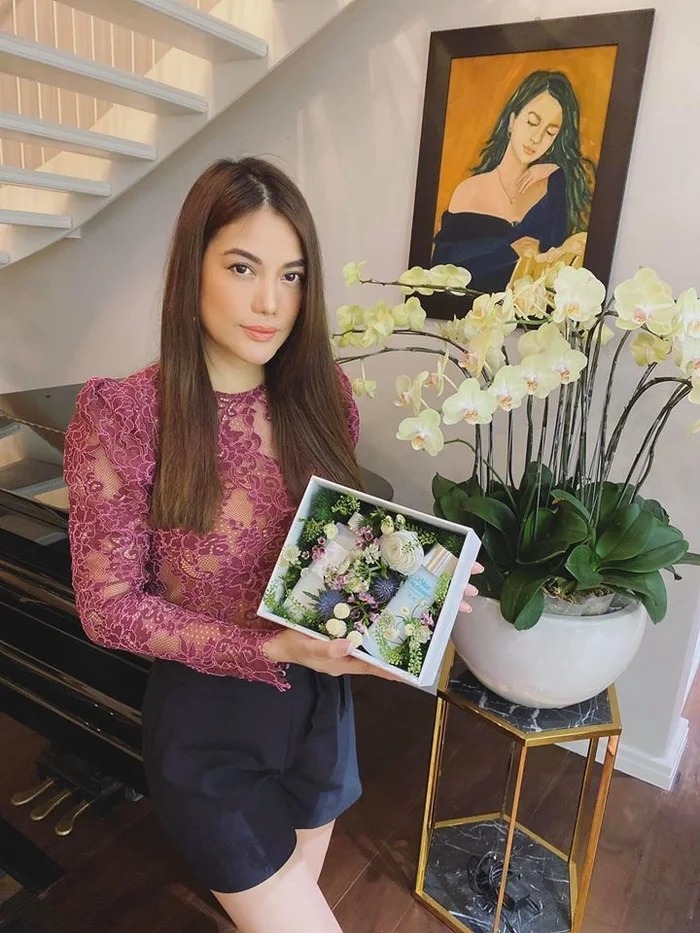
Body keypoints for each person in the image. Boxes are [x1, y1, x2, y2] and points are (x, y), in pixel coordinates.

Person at [63, 157, 481, 933]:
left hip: (321, 713)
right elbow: (108, 607)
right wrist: (273, 647)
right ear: (193, 268)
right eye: (242, 267)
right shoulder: (124, 415)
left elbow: (335, 553)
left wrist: (421, 581)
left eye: (291, 275)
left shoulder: (323, 398)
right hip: (209, 732)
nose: (270, 302)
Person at [432, 70, 596, 293]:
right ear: (512, 121)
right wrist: (509, 251)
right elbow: (439, 276)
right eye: (532, 122)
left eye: (550, 132)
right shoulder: (469, 191)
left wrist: (558, 173)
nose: (536, 138)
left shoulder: (553, 188)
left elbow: (555, 271)